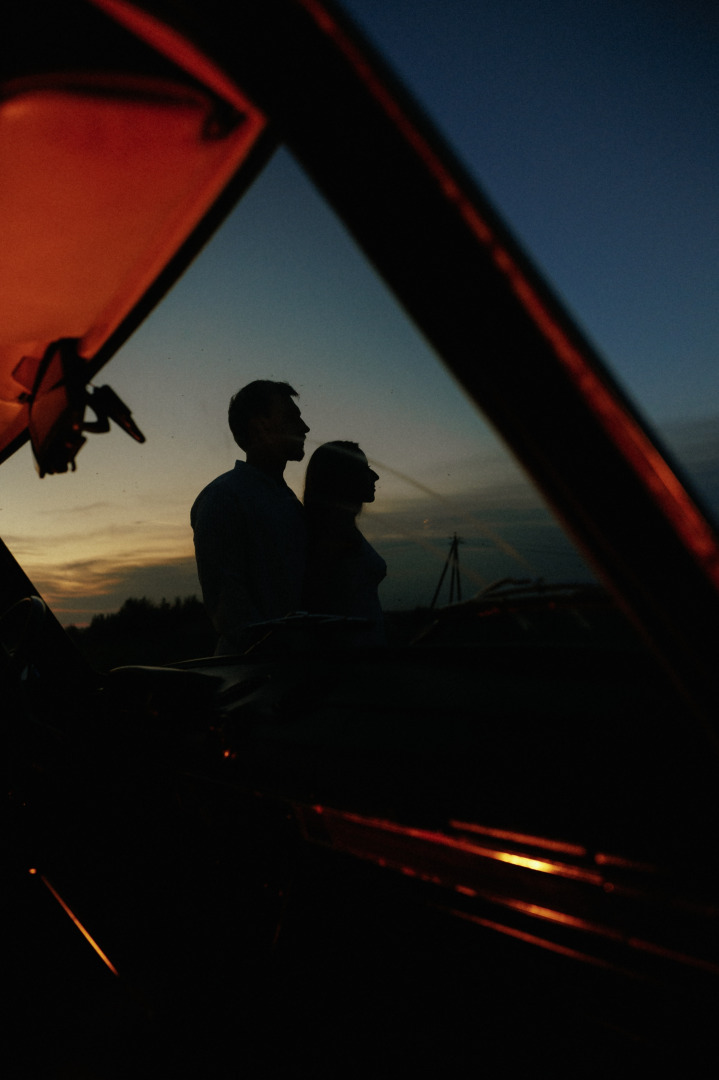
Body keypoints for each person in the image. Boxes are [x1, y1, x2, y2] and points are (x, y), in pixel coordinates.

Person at [191, 380, 309, 653]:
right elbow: (230, 613)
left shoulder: (288, 502)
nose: (305, 428)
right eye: (292, 418)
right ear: (260, 427)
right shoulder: (223, 497)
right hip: (257, 676)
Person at [302, 441, 387, 645]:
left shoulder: (343, 532)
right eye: (365, 469)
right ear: (345, 477)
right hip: (352, 660)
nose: (375, 477)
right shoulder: (331, 538)